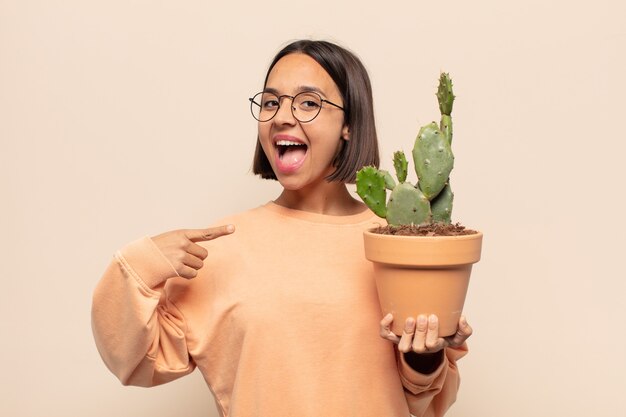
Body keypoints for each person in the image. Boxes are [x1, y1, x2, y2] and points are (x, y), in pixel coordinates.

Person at [91, 39, 472, 417]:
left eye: (308, 103)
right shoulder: (220, 247)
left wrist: (426, 357)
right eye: (271, 102)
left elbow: (429, 401)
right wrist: (142, 264)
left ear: (349, 126)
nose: (281, 117)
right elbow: (135, 361)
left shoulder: (398, 242)